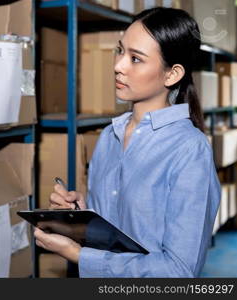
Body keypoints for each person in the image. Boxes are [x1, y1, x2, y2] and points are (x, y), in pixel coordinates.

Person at [34, 7, 221, 278]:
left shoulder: (190, 150)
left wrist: (77, 254)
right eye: (121, 51)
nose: (118, 65)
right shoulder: (111, 135)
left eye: (136, 59)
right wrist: (80, 216)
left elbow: (178, 272)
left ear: (172, 74)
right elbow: (116, 230)